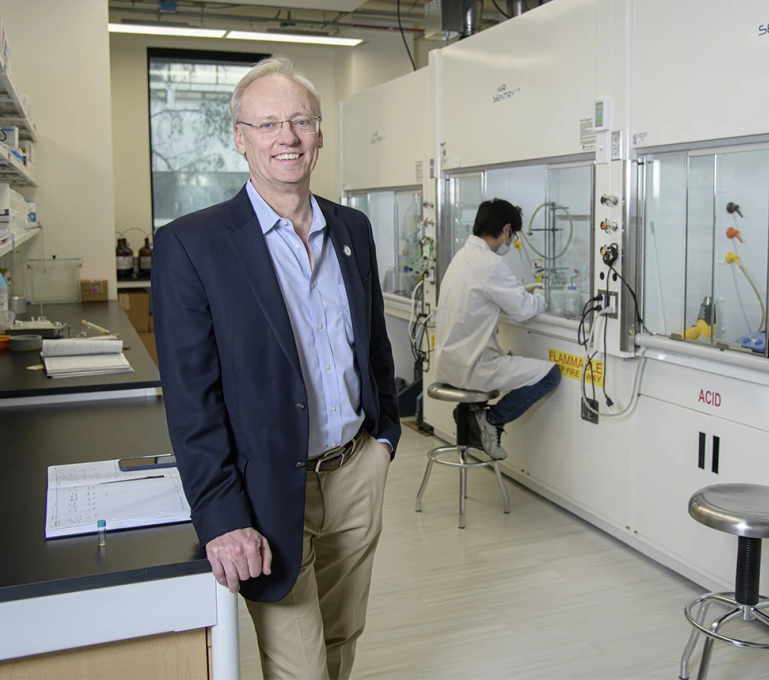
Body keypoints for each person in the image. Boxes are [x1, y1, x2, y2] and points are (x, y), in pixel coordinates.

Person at [152, 55, 401, 680]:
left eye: (300, 121)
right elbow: (191, 400)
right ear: (240, 138)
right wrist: (221, 516)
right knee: (300, 666)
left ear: (319, 133)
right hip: (266, 488)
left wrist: (385, 443)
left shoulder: (354, 229)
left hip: (354, 472)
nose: (286, 138)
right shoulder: (192, 245)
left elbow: (372, 345)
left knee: (344, 637)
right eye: (267, 125)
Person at [434, 199, 561, 459]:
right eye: (512, 234)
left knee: (509, 361)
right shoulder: (491, 264)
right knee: (550, 374)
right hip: (474, 368)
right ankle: (490, 421)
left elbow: (486, 295)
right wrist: (545, 296)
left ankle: (470, 414)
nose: (511, 241)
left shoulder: (463, 256)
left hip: (449, 364)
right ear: (505, 229)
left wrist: (522, 292)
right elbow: (524, 310)